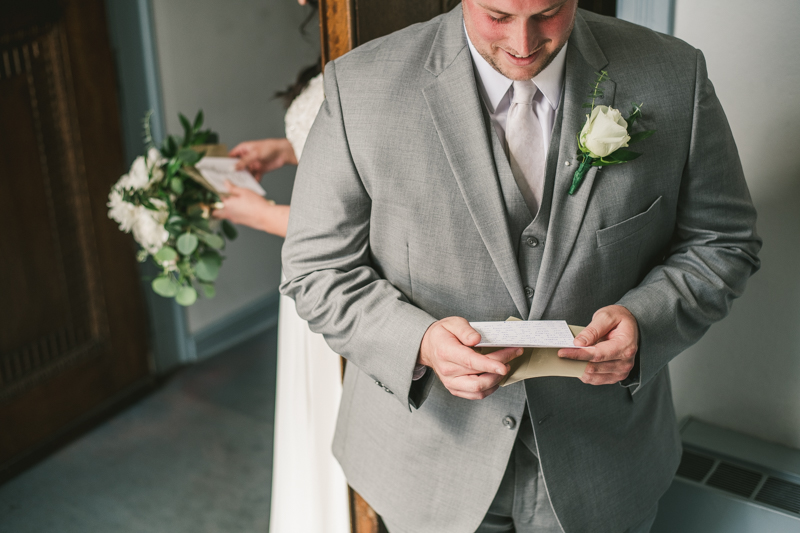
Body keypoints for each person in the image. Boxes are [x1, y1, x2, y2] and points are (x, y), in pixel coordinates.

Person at [281, 0, 761, 532]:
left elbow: (723, 241)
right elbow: (317, 270)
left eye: (548, 12)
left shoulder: (673, 74)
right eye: (498, 15)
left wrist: (646, 323)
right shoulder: (360, 87)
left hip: (604, 462)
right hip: (426, 464)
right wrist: (418, 342)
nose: (524, 43)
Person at [212, 4, 350, 531]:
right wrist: (288, 150)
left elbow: (359, 218)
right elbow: (338, 155)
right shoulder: (338, 29)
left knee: (336, 420)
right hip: (305, 271)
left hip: (339, 272)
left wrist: (261, 214)